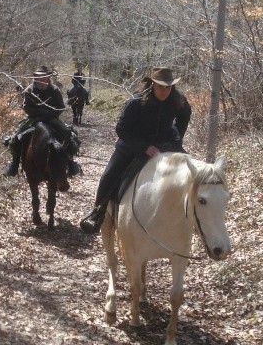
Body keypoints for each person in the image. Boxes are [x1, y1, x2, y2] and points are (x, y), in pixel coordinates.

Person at [79, 66, 192, 234]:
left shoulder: (178, 101)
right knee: (108, 176)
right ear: (152, 84)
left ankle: (191, 214)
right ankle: (98, 213)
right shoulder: (136, 102)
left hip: (164, 145)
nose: (165, 90)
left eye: (168, 87)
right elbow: (122, 130)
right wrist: (144, 147)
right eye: (161, 86)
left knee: (191, 171)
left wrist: (176, 138)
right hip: (132, 147)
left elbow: (185, 116)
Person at [3, 65, 82, 177]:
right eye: (39, 77)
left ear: (48, 77)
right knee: (16, 136)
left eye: (44, 77)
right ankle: (14, 164)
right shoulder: (29, 90)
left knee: (68, 134)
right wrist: (40, 112)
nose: (42, 80)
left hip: (52, 119)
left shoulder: (55, 90)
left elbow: (60, 107)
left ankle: (70, 162)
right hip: (33, 118)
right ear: (36, 78)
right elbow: (26, 107)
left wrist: (49, 114)